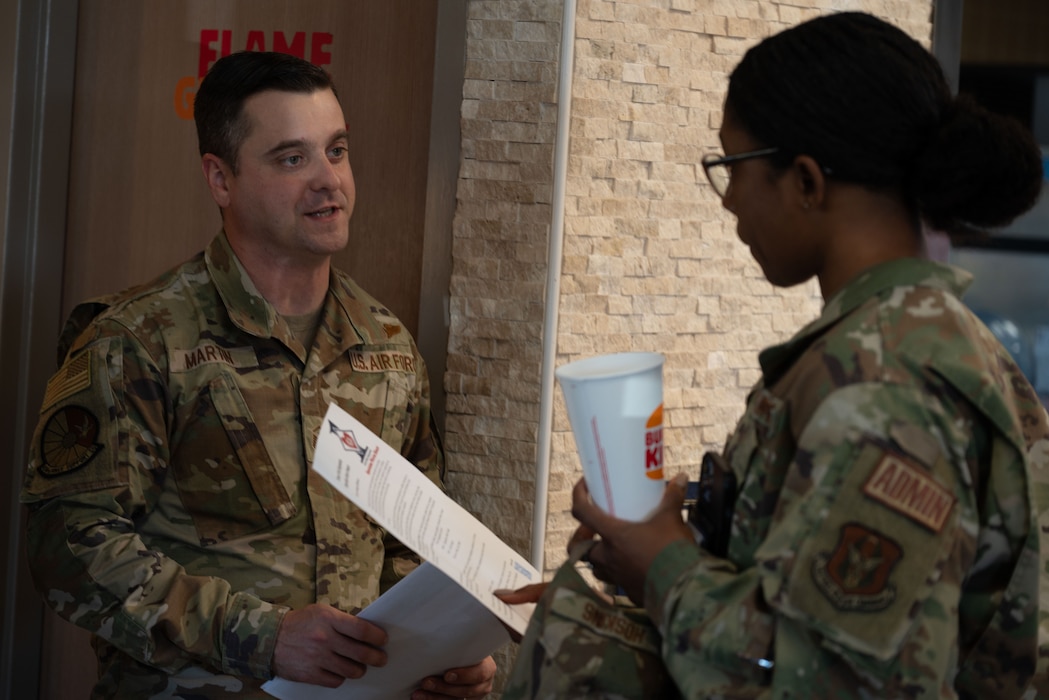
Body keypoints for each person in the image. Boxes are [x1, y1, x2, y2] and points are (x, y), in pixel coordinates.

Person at [501, 12, 1049, 698]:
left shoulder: (885, 381)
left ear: (807, 181)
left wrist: (663, 562)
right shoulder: (895, 344)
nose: (728, 200)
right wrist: (655, 558)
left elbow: (834, 680)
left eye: (733, 167)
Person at [21, 51, 495, 699]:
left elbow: (412, 541)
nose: (329, 181)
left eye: (337, 150)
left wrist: (441, 650)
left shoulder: (386, 346)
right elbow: (68, 547)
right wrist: (259, 637)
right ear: (220, 179)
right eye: (292, 158)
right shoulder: (137, 340)